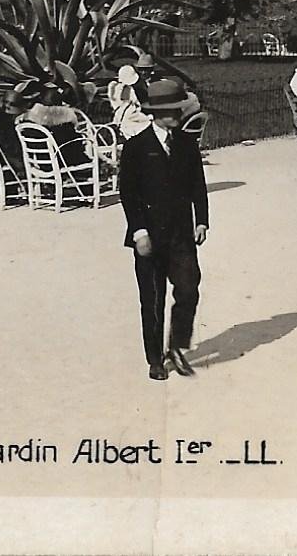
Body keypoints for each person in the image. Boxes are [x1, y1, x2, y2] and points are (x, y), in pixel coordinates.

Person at [117, 76, 209, 381]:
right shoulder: (136, 147)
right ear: (155, 113)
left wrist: (201, 220)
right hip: (149, 237)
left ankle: (177, 346)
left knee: (188, 288)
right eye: (173, 110)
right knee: (152, 299)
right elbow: (128, 193)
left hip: (181, 233)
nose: (179, 115)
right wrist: (139, 231)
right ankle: (155, 358)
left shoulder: (186, 143)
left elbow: (198, 184)